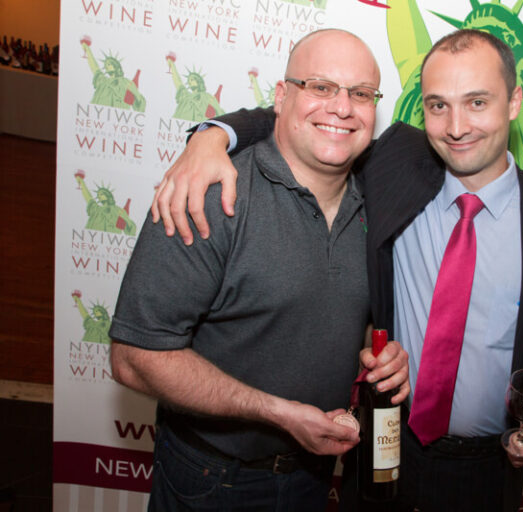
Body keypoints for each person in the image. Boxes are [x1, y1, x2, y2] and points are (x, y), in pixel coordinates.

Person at [153, 29, 523, 511]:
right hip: (383, 445)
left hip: (488, 470)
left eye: (477, 102)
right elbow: (308, 118)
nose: (456, 127)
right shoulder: (396, 163)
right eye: (438, 105)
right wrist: (213, 136)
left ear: (513, 102)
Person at [108, 29, 408, 512]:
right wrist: (277, 413)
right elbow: (134, 356)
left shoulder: (379, 198)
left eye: (361, 93)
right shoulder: (210, 193)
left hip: (313, 475)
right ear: (282, 96)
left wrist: (380, 357)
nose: (342, 108)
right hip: (213, 480)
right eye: (321, 87)